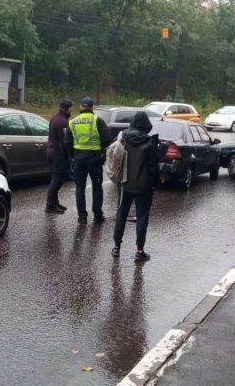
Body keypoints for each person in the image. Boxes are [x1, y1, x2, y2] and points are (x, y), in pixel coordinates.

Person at [112, 112, 160, 262]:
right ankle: (140, 251)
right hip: (144, 186)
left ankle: (116, 247)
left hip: (125, 183)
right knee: (142, 217)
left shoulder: (123, 139)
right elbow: (153, 167)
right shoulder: (150, 143)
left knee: (121, 214)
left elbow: (115, 157)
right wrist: (154, 184)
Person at [65, 96, 111, 224]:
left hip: (78, 159)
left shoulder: (72, 122)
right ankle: (97, 215)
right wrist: (101, 150)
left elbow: (67, 142)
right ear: (92, 107)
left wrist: (72, 157)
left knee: (80, 188)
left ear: (80, 107)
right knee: (97, 187)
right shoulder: (97, 120)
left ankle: (82, 217)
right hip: (94, 158)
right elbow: (107, 139)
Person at [45, 99, 73, 214]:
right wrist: (68, 156)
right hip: (58, 153)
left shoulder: (54, 118)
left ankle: (55, 202)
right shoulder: (63, 122)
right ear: (68, 109)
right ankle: (50, 205)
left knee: (55, 178)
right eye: (71, 108)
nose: (72, 110)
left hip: (50, 150)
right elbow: (64, 141)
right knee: (58, 179)